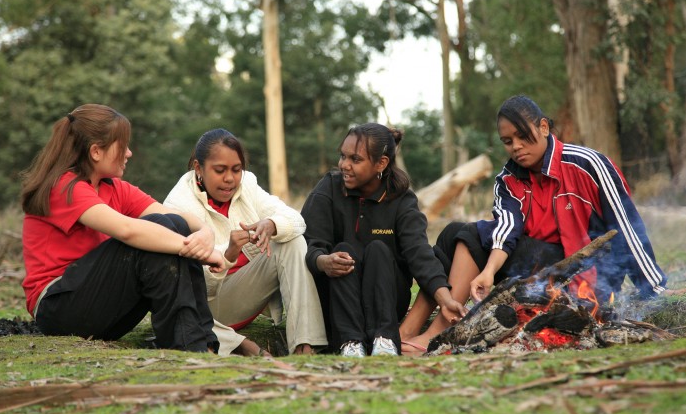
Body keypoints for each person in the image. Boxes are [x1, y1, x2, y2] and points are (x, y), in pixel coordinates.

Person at [399, 94, 668, 354]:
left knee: (469, 233)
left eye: (522, 136)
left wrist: (653, 288)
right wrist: (489, 271)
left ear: (543, 127)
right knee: (452, 233)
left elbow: (627, 226)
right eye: (507, 141)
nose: (515, 146)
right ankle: (407, 332)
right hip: (533, 271)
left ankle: (435, 335)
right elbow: (506, 229)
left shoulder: (587, 164)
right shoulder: (508, 179)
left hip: (585, 275)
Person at [21, 104, 224, 353]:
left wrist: (205, 232)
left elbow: (174, 216)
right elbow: (128, 230)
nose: (129, 153)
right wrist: (198, 251)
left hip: (97, 306)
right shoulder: (65, 188)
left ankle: (203, 345)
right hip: (59, 308)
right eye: (123, 145)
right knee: (155, 234)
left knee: (176, 225)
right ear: (96, 151)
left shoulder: (114, 188)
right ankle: (188, 347)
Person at [301, 122, 468, 357]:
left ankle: (385, 340)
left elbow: (419, 253)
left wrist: (445, 299)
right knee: (343, 249)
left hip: (385, 302)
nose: (344, 165)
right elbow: (309, 242)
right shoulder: (328, 188)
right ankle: (349, 343)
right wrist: (323, 261)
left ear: (381, 163)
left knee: (379, 249)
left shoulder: (401, 200)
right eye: (343, 156)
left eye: (355, 160)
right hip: (338, 301)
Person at [163, 128, 327, 357]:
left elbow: (297, 220)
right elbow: (189, 286)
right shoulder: (178, 205)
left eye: (236, 169)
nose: (229, 179)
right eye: (219, 170)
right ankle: (238, 344)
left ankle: (305, 346)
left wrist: (271, 224)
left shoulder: (247, 184)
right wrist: (227, 254)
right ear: (198, 168)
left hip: (247, 296)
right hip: (206, 310)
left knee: (292, 241)